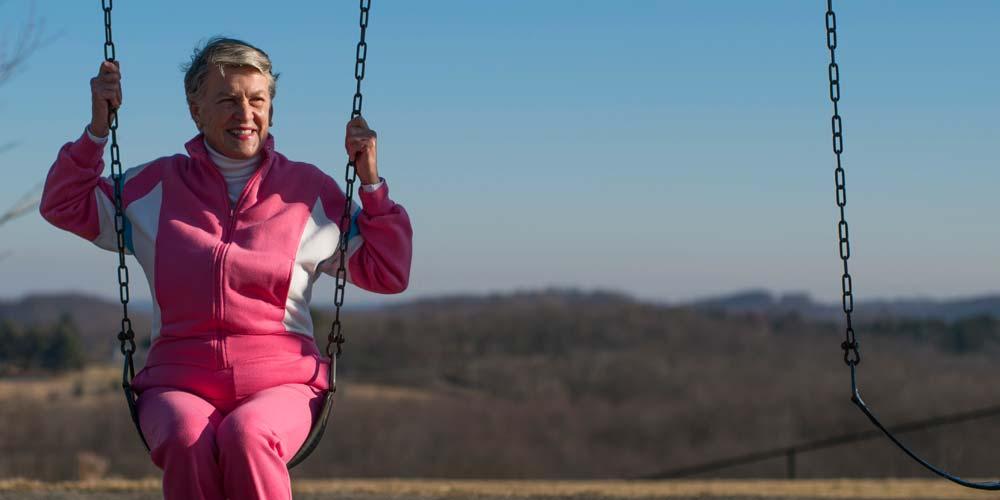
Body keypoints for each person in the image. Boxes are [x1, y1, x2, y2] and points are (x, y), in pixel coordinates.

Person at [39, 37, 412, 500]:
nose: (245, 113)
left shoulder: (308, 193)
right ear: (196, 109)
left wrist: (372, 184)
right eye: (227, 99)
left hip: (281, 385)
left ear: (271, 108)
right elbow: (62, 203)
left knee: (248, 435)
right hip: (179, 382)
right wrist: (97, 131)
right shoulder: (153, 186)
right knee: (184, 438)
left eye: (257, 99)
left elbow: (389, 270)